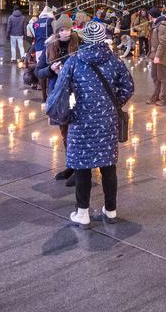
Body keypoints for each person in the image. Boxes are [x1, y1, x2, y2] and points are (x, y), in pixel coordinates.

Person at [47, 21, 135, 228]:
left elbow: (60, 91)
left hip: (80, 120)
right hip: (107, 121)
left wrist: (65, 111)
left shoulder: (74, 61)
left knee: (82, 168)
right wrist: (115, 102)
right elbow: (128, 86)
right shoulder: (114, 61)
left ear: (84, 39)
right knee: (108, 167)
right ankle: (111, 211)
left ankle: (83, 212)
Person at [35, 20, 79, 185]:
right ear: (56, 32)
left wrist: (69, 70)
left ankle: (79, 169)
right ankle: (72, 165)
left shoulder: (79, 45)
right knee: (65, 132)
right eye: (61, 30)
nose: (64, 32)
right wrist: (51, 70)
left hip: (76, 94)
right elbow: (38, 72)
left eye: (67, 29)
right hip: (59, 95)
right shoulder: (50, 48)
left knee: (76, 131)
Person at [147, 7, 166, 105]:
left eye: (149, 14)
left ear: (151, 15)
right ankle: (155, 95)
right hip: (154, 54)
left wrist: (158, 56)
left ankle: (163, 98)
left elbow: (163, 43)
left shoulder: (162, 26)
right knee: (154, 76)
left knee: (162, 76)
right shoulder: (155, 24)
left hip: (162, 54)